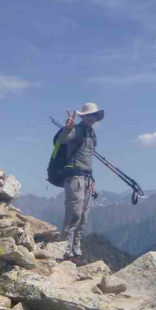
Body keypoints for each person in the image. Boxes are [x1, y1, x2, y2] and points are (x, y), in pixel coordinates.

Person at [57, 102, 103, 262]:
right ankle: (65, 249)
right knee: (74, 214)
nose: (93, 117)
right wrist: (68, 127)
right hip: (75, 178)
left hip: (87, 179)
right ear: (83, 116)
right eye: (90, 115)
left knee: (83, 217)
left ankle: (76, 249)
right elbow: (62, 140)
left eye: (94, 115)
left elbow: (88, 160)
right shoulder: (76, 130)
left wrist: (93, 180)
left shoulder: (92, 134)